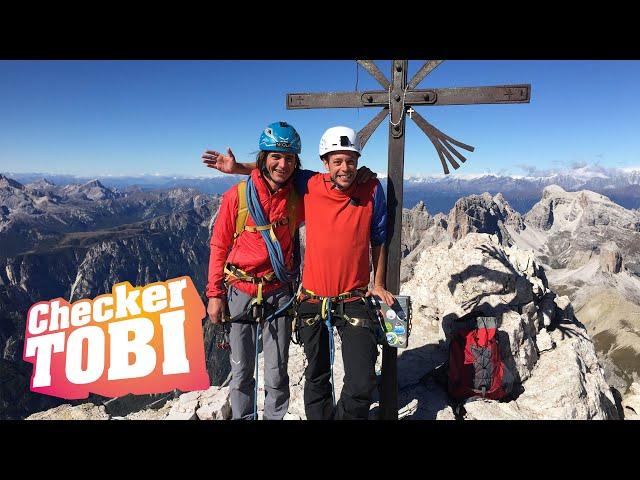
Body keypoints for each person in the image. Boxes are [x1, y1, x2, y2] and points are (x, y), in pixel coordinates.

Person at [204, 126, 395, 420]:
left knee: (351, 380)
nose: (344, 168)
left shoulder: (364, 188)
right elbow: (273, 171)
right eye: (337, 161)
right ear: (325, 163)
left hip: (318, 293)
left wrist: (378, 283)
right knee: (267, 371)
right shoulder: (301, 186)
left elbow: (378, 238)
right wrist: (235, 169)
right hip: (284, 294)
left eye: (351, 161)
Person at [205, 121, 304, 420]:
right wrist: (214, 295)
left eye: (288, 158)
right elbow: (219, 246)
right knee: (241, 371)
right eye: (275, 156)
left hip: (278, 292)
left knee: (276, 373)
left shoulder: (298, 198)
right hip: (239, 290)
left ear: (296, 163)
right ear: (264, 158)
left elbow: (334, 184)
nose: (282, 164)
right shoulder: (237, 196)